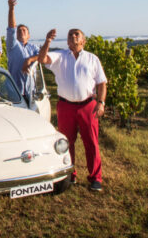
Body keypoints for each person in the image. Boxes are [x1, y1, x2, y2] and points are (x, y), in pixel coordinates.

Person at [38, 28, 107, 191]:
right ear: (67, 41)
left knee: (91, 142)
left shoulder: (92, 59)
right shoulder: (60, 56)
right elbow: (42, 59)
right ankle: (69, 174)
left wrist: (101, 102)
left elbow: (102, 82)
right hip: (66, 106)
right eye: (70, 35)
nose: (73, 36)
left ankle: (95, 178)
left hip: (87, 106)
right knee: (66, 142)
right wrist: (47, 42)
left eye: (77, 34)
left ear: (83, 41)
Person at [6, 0, 40, 103]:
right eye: (19, 30)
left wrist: (29, 60)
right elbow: (11, 28)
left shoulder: (34, 48)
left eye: (24, 30)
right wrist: (11, 9)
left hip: (31, 91)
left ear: (29, 35)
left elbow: (42, 56)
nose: (21, 31)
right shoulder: (12, 45)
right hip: (15, 92)